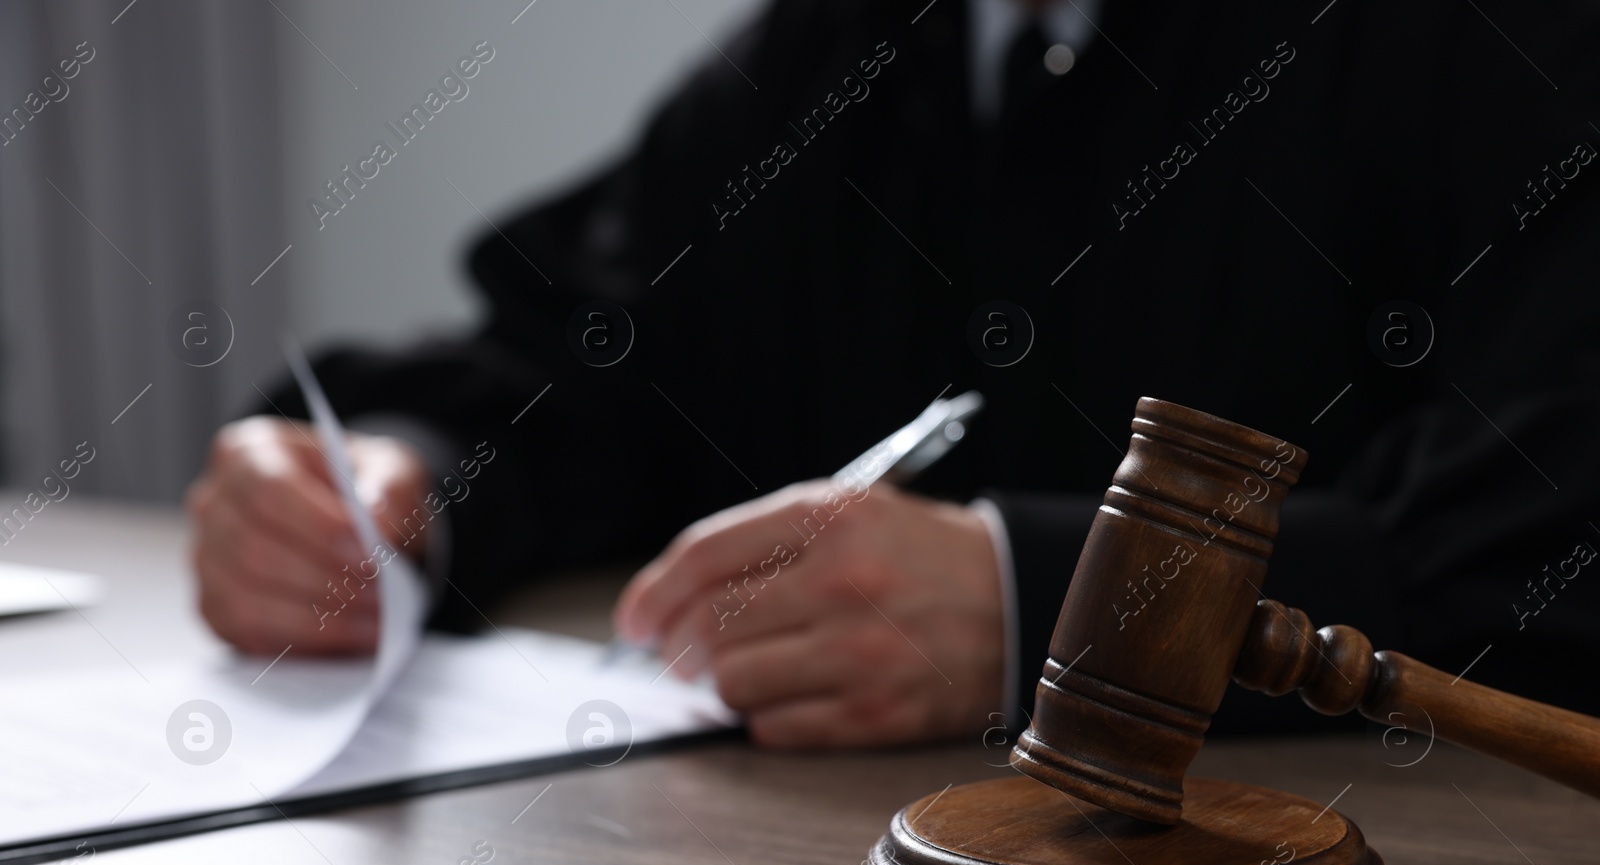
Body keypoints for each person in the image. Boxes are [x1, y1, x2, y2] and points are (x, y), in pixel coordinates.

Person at [188, 0, 1600, 748]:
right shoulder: (835, 49)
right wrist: (391, 482)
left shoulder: (1493, 42)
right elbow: (577, 368)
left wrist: (1036, 610)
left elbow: (1556, 533)